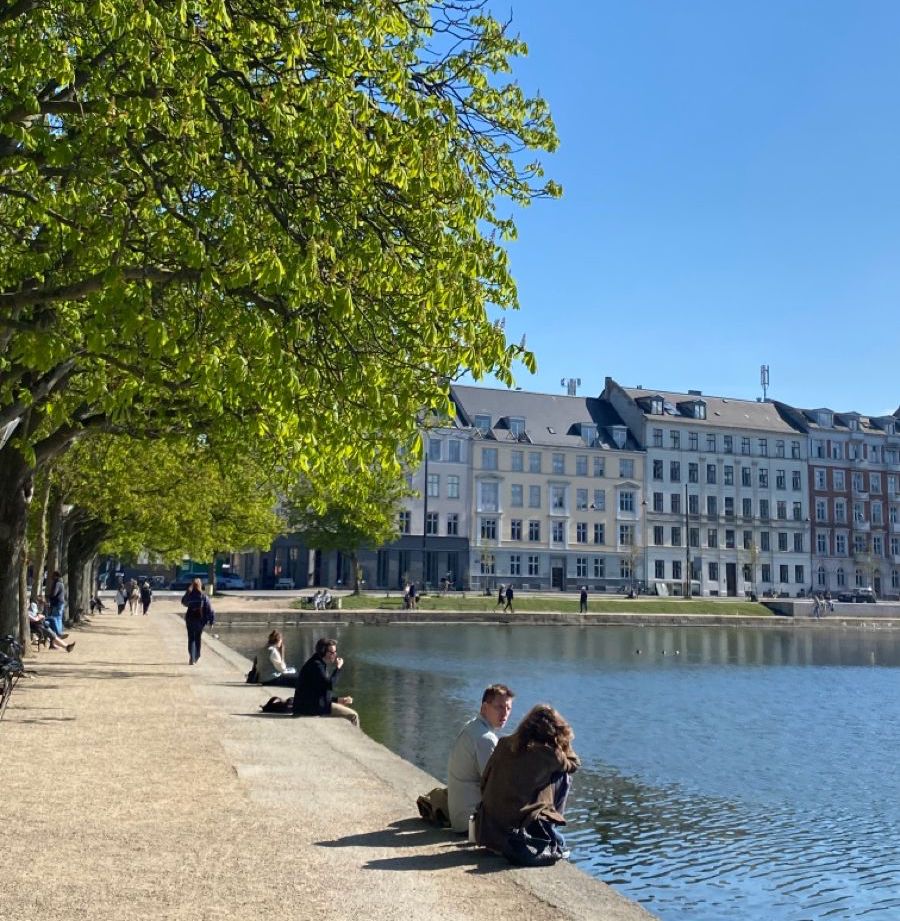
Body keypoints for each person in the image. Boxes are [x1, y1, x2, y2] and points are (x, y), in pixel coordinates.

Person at [475, 704, 580, 856]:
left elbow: (484, 781)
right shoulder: (550, 754)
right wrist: (562, 742)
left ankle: (546, 828)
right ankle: (550, 827)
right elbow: (575, 764)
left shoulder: (504, 743)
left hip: (488, 831)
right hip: (515, 835)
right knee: (562, 775)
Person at [447, 684, 515, 833]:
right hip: (471, 822)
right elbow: (494, 786)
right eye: (499, 707)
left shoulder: (472, 726)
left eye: (508, 708)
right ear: (484, 707)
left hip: (459, 816)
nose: (504, 713)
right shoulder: (485, 738)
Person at [292, 637, 359, 727]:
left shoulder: (316, 663)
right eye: (332, 652)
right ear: (323, 652)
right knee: (353, 715)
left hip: (309, 705)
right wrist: (338, 668)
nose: (335, 655)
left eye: (335, 652)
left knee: (343, 708)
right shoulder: (317, 666)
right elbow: (330, 685)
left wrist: (338, 700)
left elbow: (321, 690)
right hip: (310, 708)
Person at [181, 577, 214, 665]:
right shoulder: (203, 596)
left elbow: (183, 602)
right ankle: (196, 656)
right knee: (197, 638)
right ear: (200, 585)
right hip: (200, 620)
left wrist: (188, 591)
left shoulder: (190, 595)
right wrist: (211, 621)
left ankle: (191, 657)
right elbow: (210, 609)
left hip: (190, 618)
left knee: (191, 638)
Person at [47, 571, 66, 636]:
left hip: (57, 603)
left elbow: (54, 594)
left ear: (56, 576)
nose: (52, 577)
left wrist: (48, 596)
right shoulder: (61, 583)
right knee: (58, 618)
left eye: (53, 575)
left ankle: (58, 633)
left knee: (56, 618)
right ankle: (59, 632)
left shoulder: (57, 583)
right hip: (60, 603)